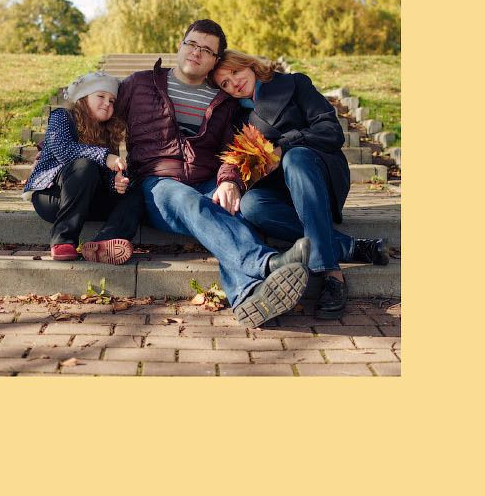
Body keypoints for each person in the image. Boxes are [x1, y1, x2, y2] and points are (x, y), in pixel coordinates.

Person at [116, 20, 311, 327]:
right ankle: (267, 263)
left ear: (215, 60)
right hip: (156, 186)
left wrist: (229, 181)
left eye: (206, 50)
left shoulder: (223, 101)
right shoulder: (139, 84)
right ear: (180, 45)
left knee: (230, 206)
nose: (196, 53)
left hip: (205, 180)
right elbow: (98, 118)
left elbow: (231, 149)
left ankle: (248, 296)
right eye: (192, 44)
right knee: (186, 199)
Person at [213, 50, 390, 319]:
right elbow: (234, 156)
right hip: (280, 188)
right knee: (251, 206)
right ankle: (354, 247)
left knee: (295, 157)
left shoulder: (294, 84)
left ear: (249, 65)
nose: (234, 83)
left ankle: (331, 273)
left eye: (235, 72)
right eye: (225, 83)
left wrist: (284, 147)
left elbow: (331, 131)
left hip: (321, 173)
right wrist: (229, 181)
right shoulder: (237, 117)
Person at [24, 72, 143, 264]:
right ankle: (63, 240)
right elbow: (62, 149)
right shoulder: (62, 117)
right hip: (52, 196)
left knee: (136, 192)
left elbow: (104, 175)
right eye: (101, 96)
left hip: (87, 201)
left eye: (112, 101)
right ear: (83, 97)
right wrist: (105, 157)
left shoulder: (108, 132)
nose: (107, 103)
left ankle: (105, 242)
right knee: (84, 166)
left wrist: (115, 183)